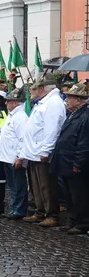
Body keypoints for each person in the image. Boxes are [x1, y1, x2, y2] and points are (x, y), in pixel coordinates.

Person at [18, 75, 66, 227]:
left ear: (42, 89)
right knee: (36, 185)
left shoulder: (53, 103)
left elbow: (52, 129)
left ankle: (51, 214)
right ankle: (40, 211)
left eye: (33, 88)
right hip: (33, 151)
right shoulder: (43, 102)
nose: (31, 91)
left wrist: (46, 151)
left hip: (41, 152)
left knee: (47, 186)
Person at [49, 83, 89, 234]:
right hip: (65, 161)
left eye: (70, 98)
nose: (66, 100)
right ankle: (72, 220)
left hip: (74, 163)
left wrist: (78, 163)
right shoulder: (73, 114)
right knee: (69, 195)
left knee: (79, 194)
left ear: (79, 100)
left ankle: (83, 223)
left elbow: (84, 143)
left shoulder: (85, 117)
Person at [0, 88, 30, 220]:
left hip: (14, 158)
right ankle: (15, 207)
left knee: (18, 185)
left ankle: (19, 209)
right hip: (7, 156)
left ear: (15, 103)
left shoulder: (20, 117)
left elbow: (23, 138)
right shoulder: (13, 115)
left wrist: (19, 157)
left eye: (9, 101)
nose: (6, 104)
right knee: (12, 185)